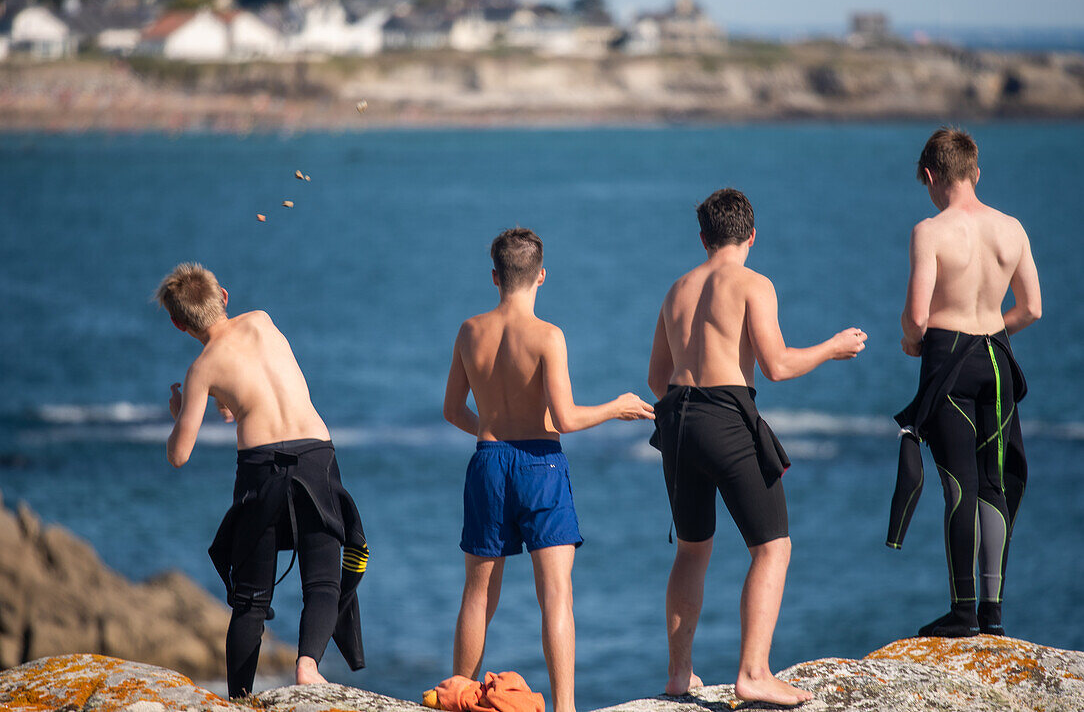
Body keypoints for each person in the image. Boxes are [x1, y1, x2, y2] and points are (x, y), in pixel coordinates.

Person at [647, 189, 866, 706]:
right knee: (772, 547)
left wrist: (692, 412)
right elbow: (777, 366)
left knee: (691, 549)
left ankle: (679, 674)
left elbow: (658, 377)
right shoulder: (753, 283)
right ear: (751, 234)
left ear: (703, 237)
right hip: (726, 414)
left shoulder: (677, 288)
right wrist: (834, 348)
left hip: (677, 419)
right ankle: (754, 673)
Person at [443, 228, 654, 712]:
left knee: (478, 594)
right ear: (541, 275)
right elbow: (566, 419)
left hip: (489, 461)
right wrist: (616, 406)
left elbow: (453, 409)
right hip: (541, 464)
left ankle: (457, 694)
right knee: (556, 594)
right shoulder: (548, 337)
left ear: (495, 276)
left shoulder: (469, 331)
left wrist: (490, 434)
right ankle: (565, 709)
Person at [155, 262, 368, 698]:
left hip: (261, 469)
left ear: (178, 324)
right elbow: (259, 385)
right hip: (315, 455)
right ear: (225, 297)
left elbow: (179, 455)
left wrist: (180, 414)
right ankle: (307, 665)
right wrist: (226, 402)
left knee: (251, 598)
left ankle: (238, 700)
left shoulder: (202, 369)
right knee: (323, 581)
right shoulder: (262, 321)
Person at [891, 128, 1040, 638]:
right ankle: (993, 613)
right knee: (993, 485)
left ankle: (962, 611)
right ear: (975, 171)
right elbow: (1032, 308)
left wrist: (914, 343)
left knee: (959, 485)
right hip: (997, 358)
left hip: (948, 359)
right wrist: (990, 334)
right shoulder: (1012, 228)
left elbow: (915, 317)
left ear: (932, 176)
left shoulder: (930, 232)